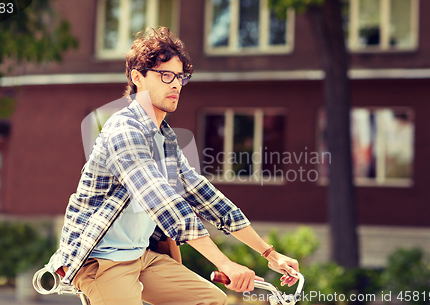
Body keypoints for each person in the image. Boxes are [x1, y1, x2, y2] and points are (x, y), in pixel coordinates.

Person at [46, 27, 299, 305]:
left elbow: (205, 197)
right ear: (137, 77)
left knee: (211, 300)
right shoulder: (123, 130)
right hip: (102, 261)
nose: (176, 84)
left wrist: (270, 254)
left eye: (180, 77)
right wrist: (225, 263)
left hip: (141, 256)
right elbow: (162, 201)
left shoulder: (165, 138)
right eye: (165, 75)